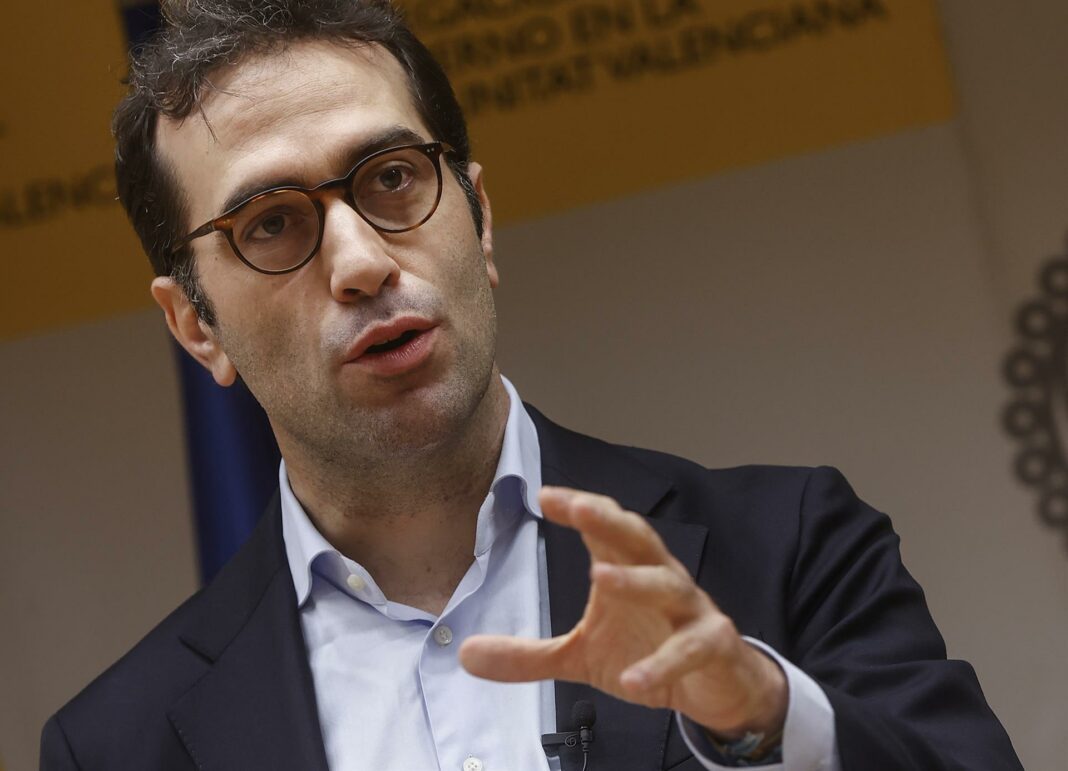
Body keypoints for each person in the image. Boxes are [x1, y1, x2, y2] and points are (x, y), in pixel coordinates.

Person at [41, 2, 1022, 769]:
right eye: (270, 224)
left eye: (392, 178)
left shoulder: (790, 548)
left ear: (479, 221)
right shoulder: (119, 745)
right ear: (195, 325)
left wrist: (763, 718)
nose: (362, 263)